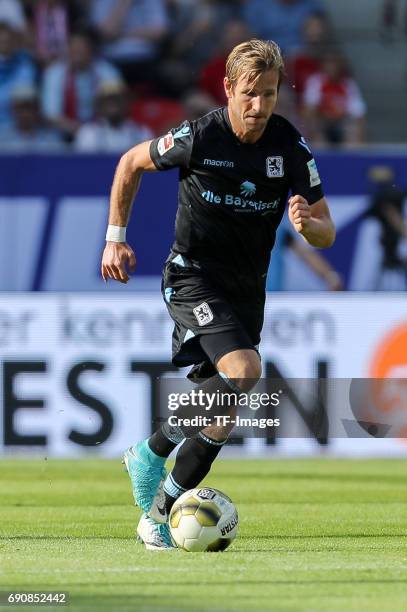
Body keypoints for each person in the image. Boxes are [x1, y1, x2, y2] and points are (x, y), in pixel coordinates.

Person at [101, 39, 336, 549]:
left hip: (246, 289)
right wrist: (115, 240)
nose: (258, 106)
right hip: (192, 277)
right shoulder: (199, 136)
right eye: (249, 93)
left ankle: (153, 473)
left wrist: (306, 225)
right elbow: (129, 163)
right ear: (228, 88)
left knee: (220, 419)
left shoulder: (290, 147)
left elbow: (326, 230)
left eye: (269, 94)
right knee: (245, 371)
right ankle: (155, 493)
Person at [41, 26, 121, 140]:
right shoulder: (54, 73)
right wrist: (82, 132)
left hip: (101, 133)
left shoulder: (107, 72)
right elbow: (51, 115)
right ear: (67, 49)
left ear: (91, 49)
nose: (77, 52)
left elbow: (116, 106)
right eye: (74, 48)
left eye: (81, 48)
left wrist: (91, 134)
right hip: (63, 134)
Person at [75, 80, 152, 152]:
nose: (112, 105)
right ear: (99, 105)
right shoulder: (88, 133)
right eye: (107, 100)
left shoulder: (142, 133)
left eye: (117, 100)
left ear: (126, 103)